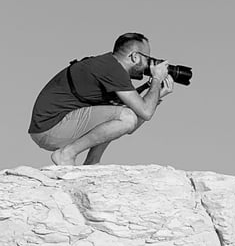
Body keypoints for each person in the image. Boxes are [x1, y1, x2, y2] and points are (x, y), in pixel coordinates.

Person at [28, 32, 174, 166]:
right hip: (50, 127)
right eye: (147, 58)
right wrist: (156, 78)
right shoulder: (112, 69)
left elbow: (130, 126)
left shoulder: (110, 67)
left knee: (121, 116)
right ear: (135, 56)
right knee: (124, 116)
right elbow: (145, 112)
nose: (149, 65)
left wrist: (158, 95)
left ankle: (92, 163)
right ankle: (67, 154)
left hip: (49, 128)